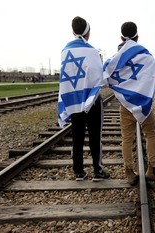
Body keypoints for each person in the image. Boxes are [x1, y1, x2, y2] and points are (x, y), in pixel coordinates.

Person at [103, 21, 155, 186]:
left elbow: (106, 74)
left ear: (121, 37)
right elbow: (153, 76)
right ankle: (152, 170)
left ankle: (129, 172)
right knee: (150, 134)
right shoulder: (147, 57)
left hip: (125, 104)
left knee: (127, 138)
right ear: (137, 36)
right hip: (143, 104)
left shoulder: (115, 59)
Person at [58, 16, 110, 182]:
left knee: (77, 135)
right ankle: (97, 170)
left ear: (73, 32)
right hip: (91, 100)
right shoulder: (92, 51)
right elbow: (98, 77)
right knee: (95, 135)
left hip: (74, 100)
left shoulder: (65, 51)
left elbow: (67, 77)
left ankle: (78, 171)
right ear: (88, 32)